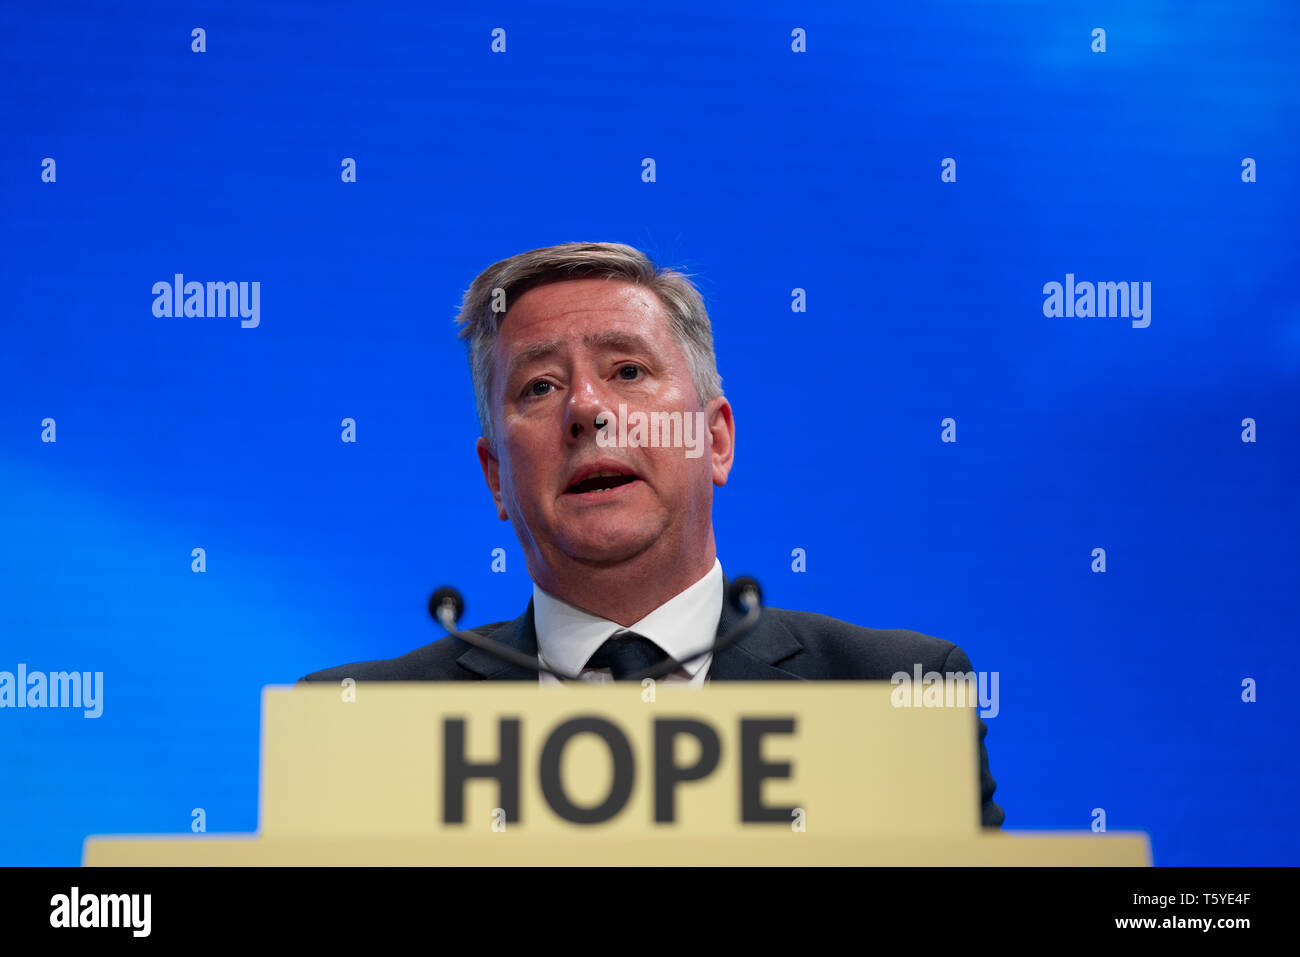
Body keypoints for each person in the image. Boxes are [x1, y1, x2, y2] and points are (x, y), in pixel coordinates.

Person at [301, 241, 1005, 828]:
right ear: (495, 480)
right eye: (539, 387)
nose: (587, 409)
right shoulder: (363, 728)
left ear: (717, 438)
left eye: (628, 370)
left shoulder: (890, 695)